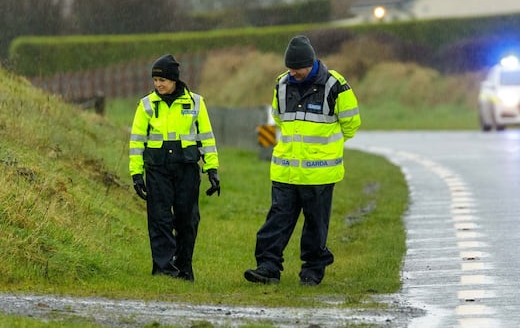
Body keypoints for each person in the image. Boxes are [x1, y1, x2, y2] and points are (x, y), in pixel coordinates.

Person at [244, 35, 361, 286]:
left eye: (297, 68)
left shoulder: (335, 85)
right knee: (276, 222)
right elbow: (278, 119)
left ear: (310, 64)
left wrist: (324, 150)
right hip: (285, 170)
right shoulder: (282, 84)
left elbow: (351, 124)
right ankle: (267, 268)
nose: (292, 73)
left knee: (315, 225)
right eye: (289, 68)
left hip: (319, 173)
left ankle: (312, 271)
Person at [129, 54, 221, 282]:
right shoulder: (146, 105)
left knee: (187, 219)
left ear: (174, 79)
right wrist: (136, 174)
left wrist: (212, 169)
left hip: (186, 169)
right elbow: (136, 142)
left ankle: (184, 267)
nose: (158, 84)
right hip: (157, 169)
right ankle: (163, 269)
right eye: (155, 80)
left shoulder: (196, 103)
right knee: (159, 219)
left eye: (163, 80)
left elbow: (207, 138)